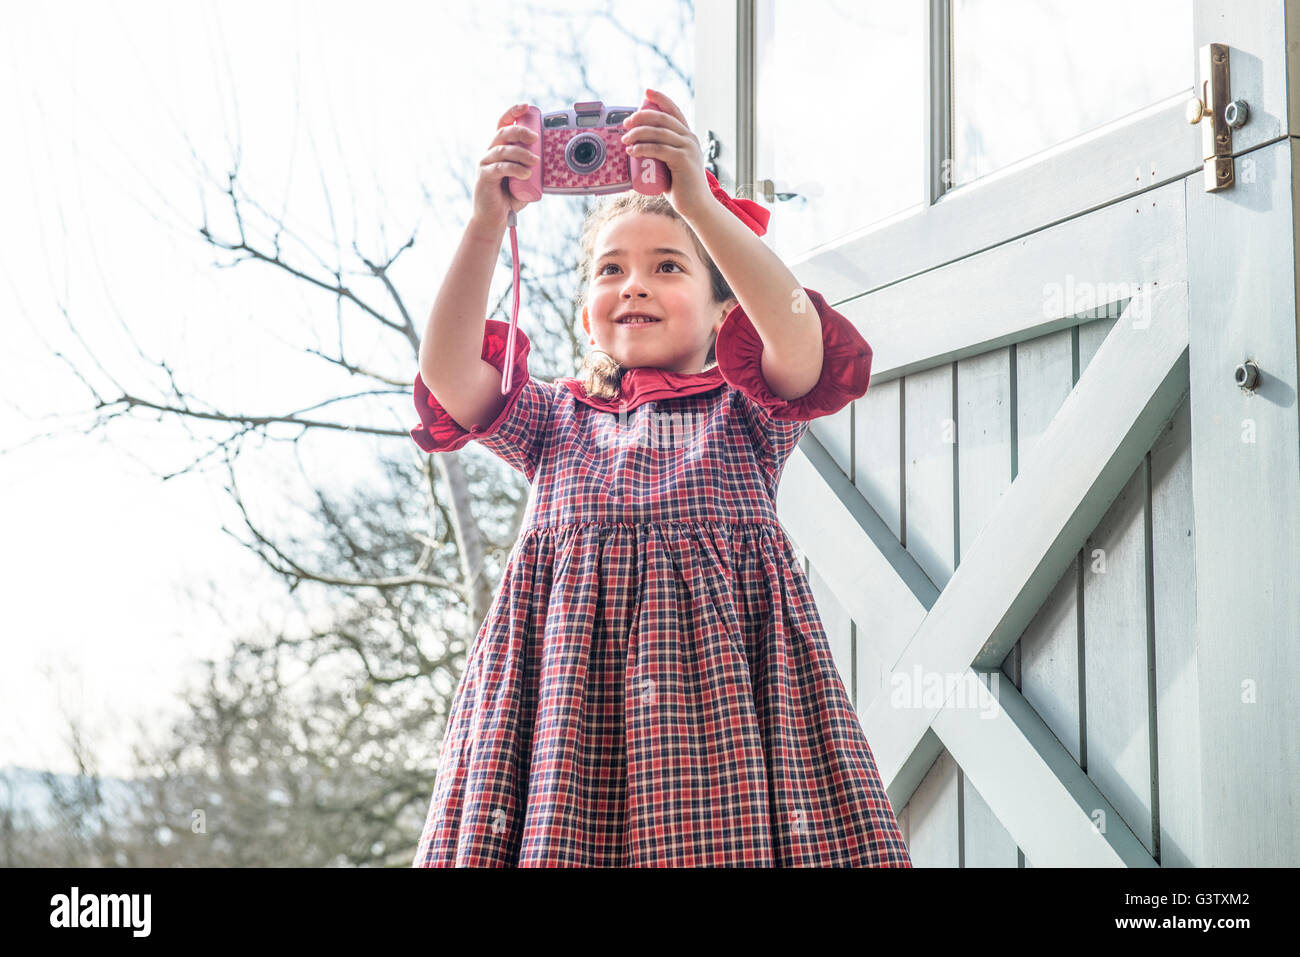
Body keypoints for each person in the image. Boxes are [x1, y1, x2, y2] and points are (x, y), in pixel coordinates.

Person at [409, 89, 911, 867]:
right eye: (610, 270)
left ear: (723, 311)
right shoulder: (552, 424)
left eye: (667, 266)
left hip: (721, 736)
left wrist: (700, 204)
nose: (633, 284)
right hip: (564, 743)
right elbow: (447, 373)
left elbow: (799, 337)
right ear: (586, 314)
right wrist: (487, 223)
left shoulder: (748, 414)